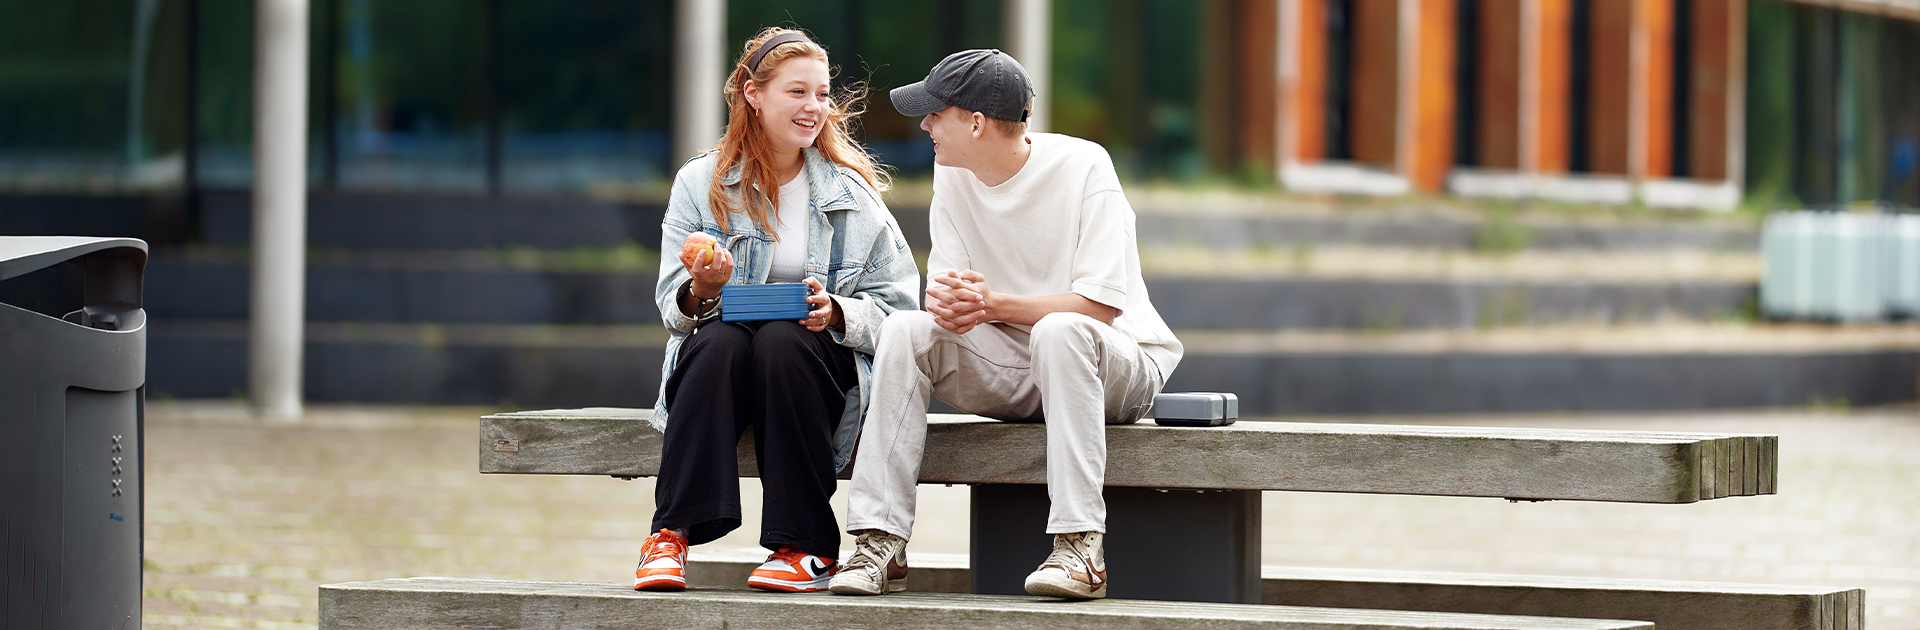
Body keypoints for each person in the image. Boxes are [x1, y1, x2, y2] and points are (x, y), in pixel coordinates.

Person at [828, 49, 1182, 600]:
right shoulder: (955, 176)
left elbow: (1099, 309)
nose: (924, 125)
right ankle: (879, 543)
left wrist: (991, 306)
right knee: (905, 331)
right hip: (1015, 367)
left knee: (1060, 331)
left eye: (934, 113)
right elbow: (953, 298)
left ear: (976, 122)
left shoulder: (1086, 167)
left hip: (1115, 365)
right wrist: (951, 306)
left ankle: (1080, 549)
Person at [633, 27, 919, 594]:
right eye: (798, 92)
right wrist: (705, 289)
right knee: (719, 341)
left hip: (815, 362)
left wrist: (836, 311)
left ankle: (805, 547)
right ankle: (671, 533)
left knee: (782, 341)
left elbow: (902, 310)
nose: (814, 107)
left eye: (822, 93)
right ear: (752, 93)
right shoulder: (702, 182)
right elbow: (675, 308)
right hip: (724, 358)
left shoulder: (853, 194)